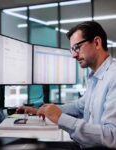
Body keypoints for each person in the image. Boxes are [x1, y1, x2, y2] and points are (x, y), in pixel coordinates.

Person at [16, 21, 116, 149]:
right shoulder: (95, 76)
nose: (74, 55)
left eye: (77, 47)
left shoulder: (113, 77)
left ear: (97, 42)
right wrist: (43, 111)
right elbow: (80, 107)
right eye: (72, 49)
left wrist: (60, 118)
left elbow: (112, 136)